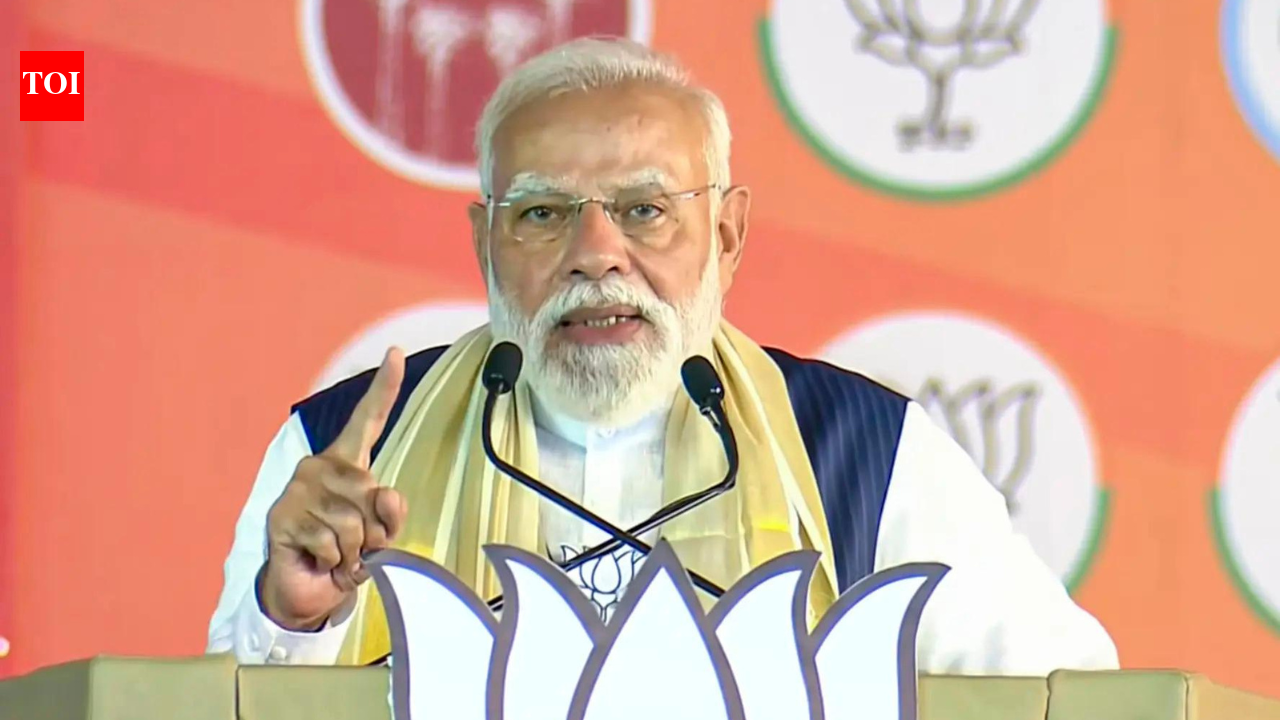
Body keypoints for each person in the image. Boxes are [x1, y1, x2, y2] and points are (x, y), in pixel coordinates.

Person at [207, 37, 1119, 674]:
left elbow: (1065, 695)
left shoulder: (866, 456)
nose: (595, 254)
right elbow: (226, 702)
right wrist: (293, 617)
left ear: (726, 235)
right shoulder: (342, 454)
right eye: (542, 213)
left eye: (644, 210)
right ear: (485, 244)